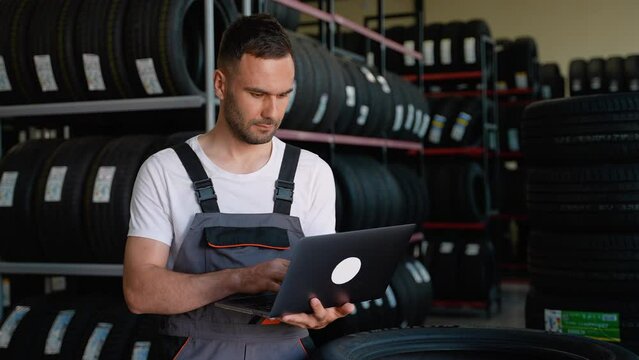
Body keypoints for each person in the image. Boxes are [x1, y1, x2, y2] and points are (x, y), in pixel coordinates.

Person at [122, 14, 354, 359]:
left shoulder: (312, 172)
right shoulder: (165, 170)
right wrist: (240, 279)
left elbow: (321, 286)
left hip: (287, 350)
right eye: (257, 93)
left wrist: (323, 313)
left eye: (282, 95)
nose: (271, 112)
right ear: (220, 84)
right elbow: (140, 293)